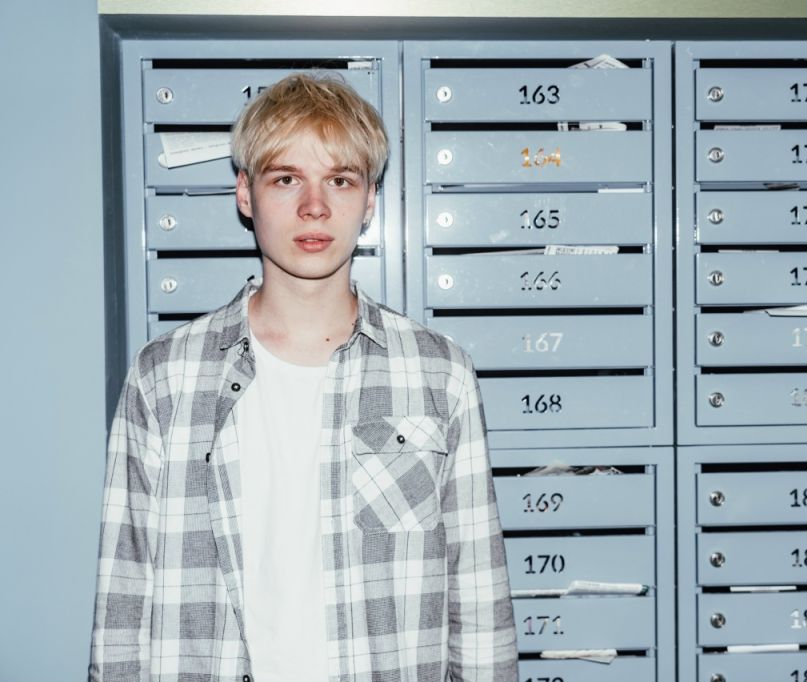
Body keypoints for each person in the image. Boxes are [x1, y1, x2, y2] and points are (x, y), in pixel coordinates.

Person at [90, 73, 517, 682]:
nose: (314, 207)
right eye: (286, 178)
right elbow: (123, 594)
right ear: (245, 194)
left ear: (370, 200)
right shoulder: (165, 376)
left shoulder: (438, 373)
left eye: (340, 180)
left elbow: (476, 591)